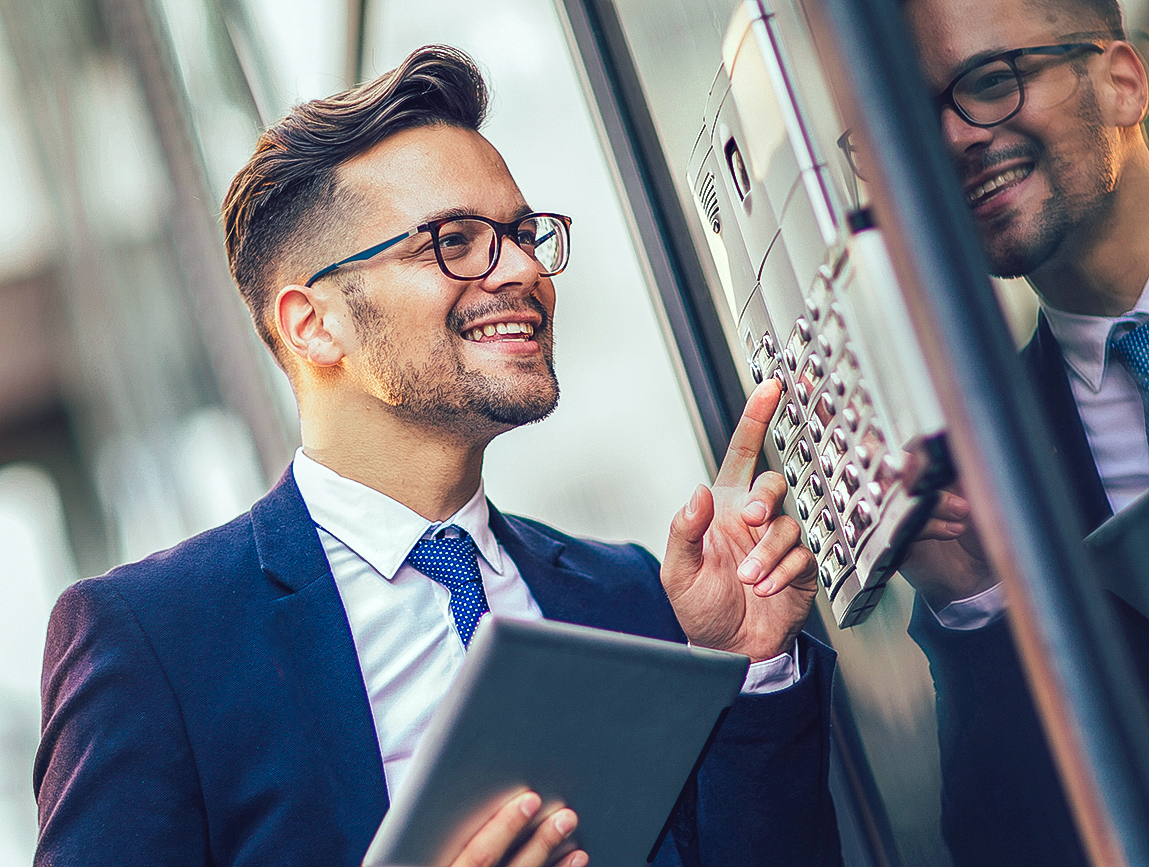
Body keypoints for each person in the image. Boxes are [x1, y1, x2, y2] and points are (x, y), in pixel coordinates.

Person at [33, 45, 842, 867]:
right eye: (454, 240)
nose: (523, 269)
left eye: (524, 235)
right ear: (315, 324)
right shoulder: (157, 642)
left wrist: (748, 671)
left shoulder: (636, 596)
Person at [898, 0, 1149, 862]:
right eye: (910, 116)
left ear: (1121, 83)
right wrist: (972, 607)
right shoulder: (989, 458)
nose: (952, 142)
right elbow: (1006, 841)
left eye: (991, 83)